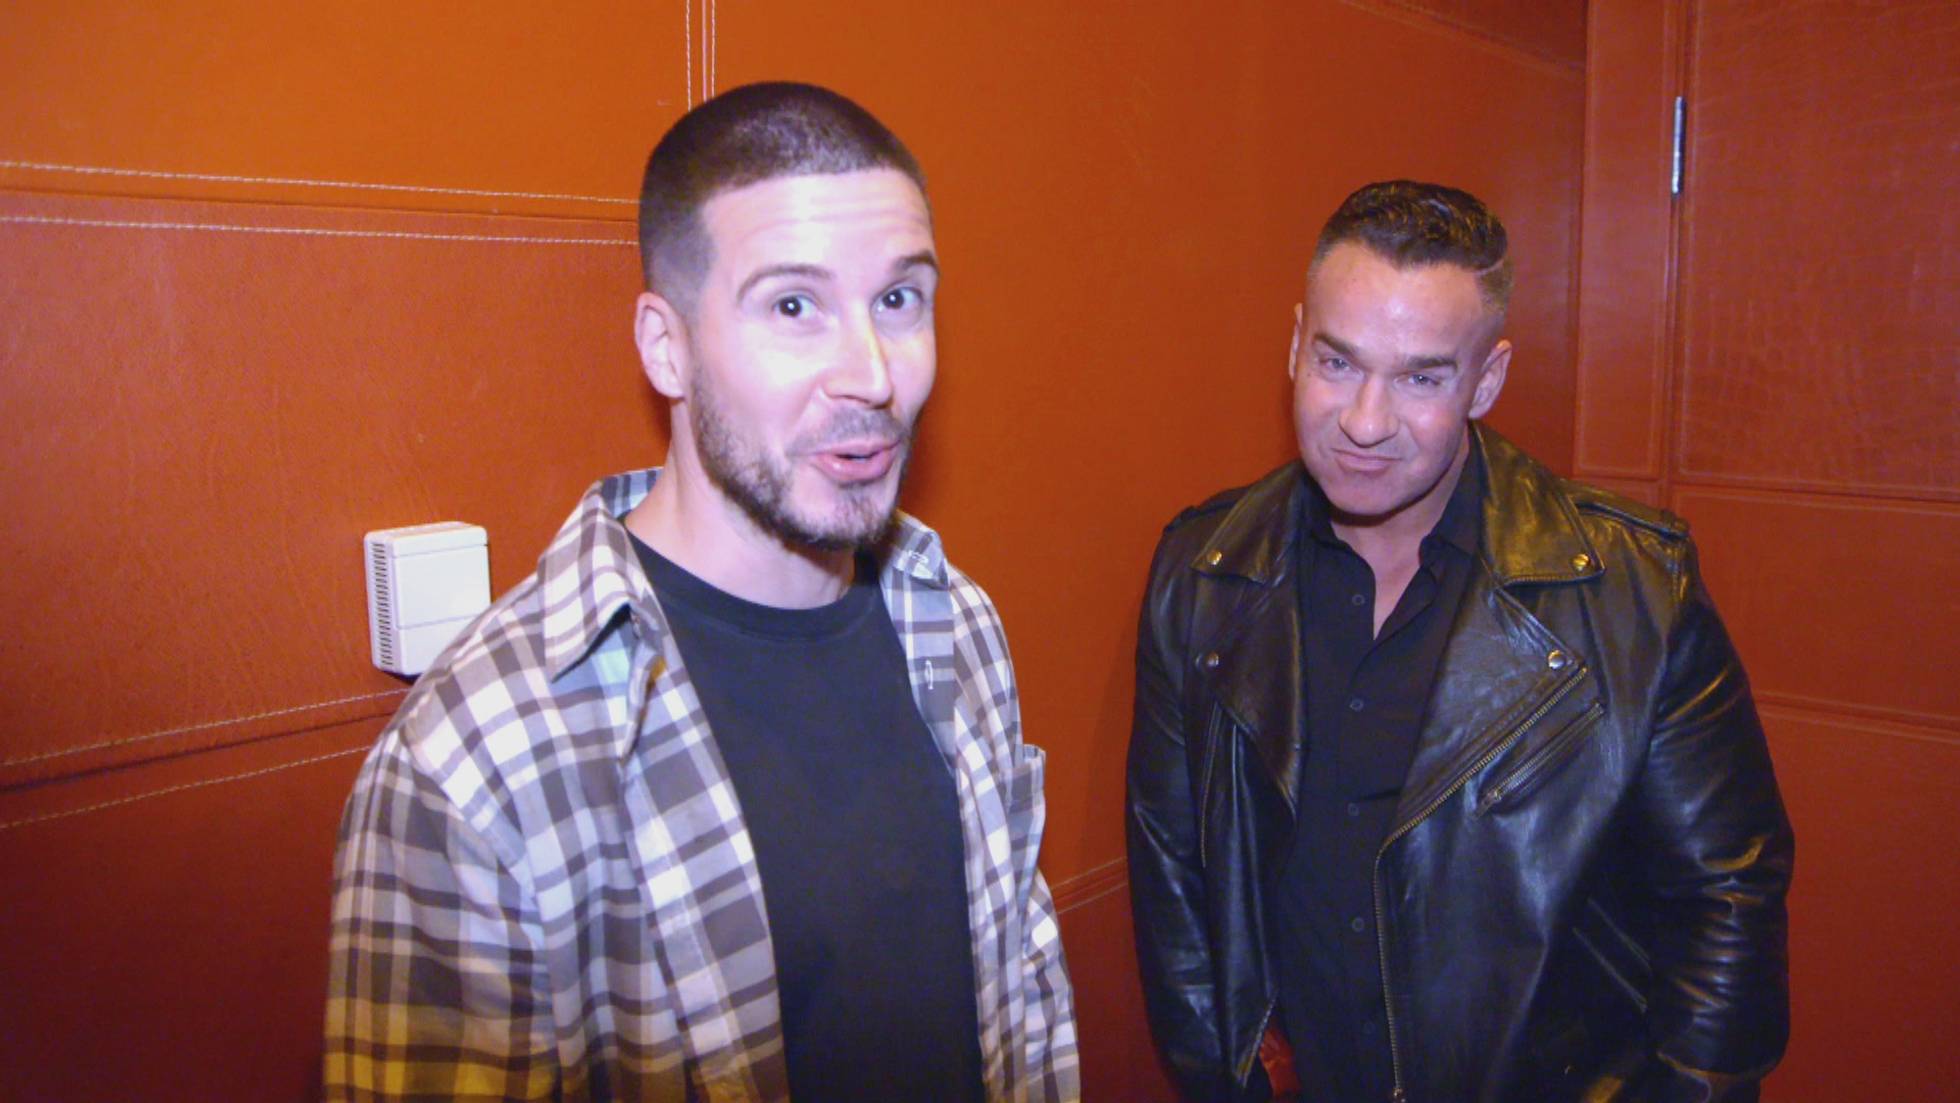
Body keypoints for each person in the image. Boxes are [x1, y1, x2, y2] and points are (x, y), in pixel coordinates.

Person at [326, 82, 1077, 1102]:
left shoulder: (956, 624)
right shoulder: (477, 760)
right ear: (664, 346)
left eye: (899, 299)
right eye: (794, 306)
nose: (872, 374)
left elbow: (1025, 1008)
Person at [1126, 180, 1792, 1103]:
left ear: (1487, 380)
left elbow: (1728, 894)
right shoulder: (1202, 571)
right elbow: (1175, 882)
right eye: (1337, 361)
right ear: (1295, 344)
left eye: (1421, 377)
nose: (1364, 420)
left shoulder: (1636, 589)